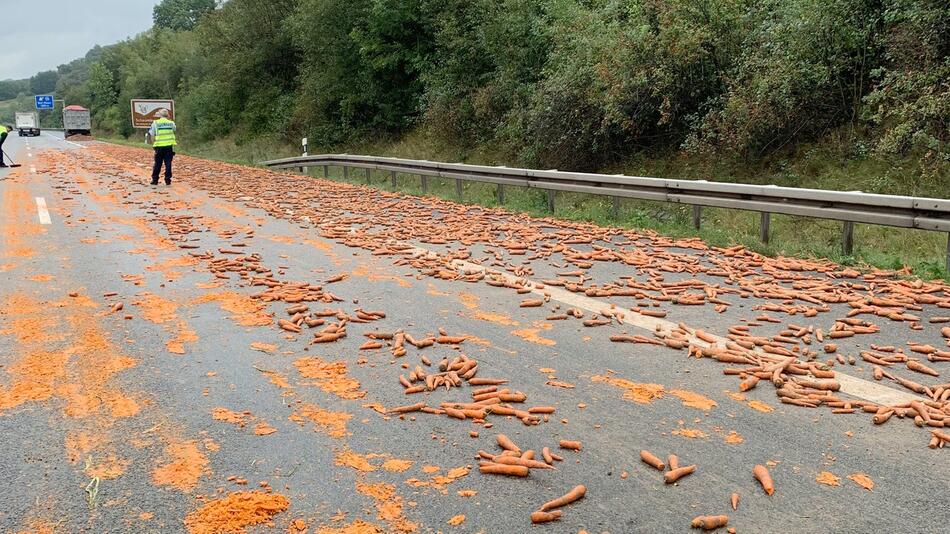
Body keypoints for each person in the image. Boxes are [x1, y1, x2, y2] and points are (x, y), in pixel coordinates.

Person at [148, 109, 177, 185]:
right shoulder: (171, 123)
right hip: (169, 146)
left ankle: (155, 180)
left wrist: (153, 144)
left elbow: (152, 134)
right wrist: (169, 119)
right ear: (167, 115)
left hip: (159, 146)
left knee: (158, 163)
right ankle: (168, 180)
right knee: (168, 163)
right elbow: (174, 129)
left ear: (160, 115)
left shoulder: (155, 123)